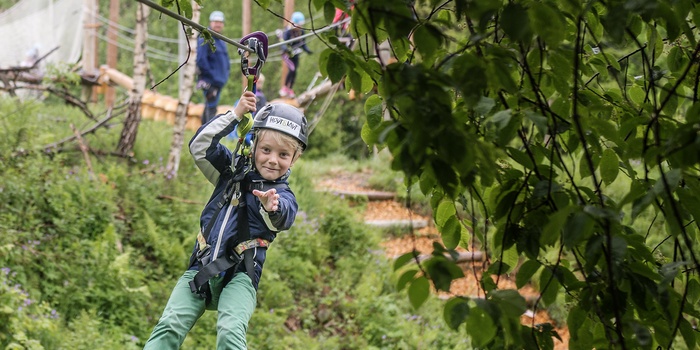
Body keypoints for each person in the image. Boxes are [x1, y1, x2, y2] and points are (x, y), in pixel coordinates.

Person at [144, 90, 308, 349]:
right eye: (266, 149)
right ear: (253, 145)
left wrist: (271, 206)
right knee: (170, 324)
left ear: (294, 159)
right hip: (202, 266)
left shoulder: (281, 195)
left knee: (230, 332)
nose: (273, 160)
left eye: (283, 155)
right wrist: (235, 114)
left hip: (241, 275)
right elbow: (199, 146)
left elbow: (282, 218)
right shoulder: (231, 172)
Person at [196, 10, 231, 125]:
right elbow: (201, 60)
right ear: (210, 23)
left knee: (209, 107)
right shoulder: (205, 38)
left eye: (220, 22)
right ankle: (207, 136)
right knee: (211, 109)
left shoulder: (221, 40)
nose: (218, 24)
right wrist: (211, 76)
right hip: (209, 81)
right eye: (215, 22)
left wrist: (225, 75)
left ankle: (201, 134)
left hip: (218, 82)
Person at [279, 11, 312, 98]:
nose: (300, 27)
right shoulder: (288, 31)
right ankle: (285, 87)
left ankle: (290, 89)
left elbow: (303, 43)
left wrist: (307, 50)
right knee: (292, 69)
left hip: (296, 54)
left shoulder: (301, 32)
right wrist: (285, 48)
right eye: (298, 25)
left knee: (295, 72)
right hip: (287, 55)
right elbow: (283, 43)